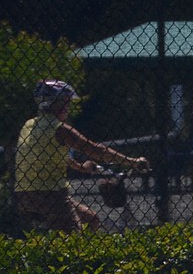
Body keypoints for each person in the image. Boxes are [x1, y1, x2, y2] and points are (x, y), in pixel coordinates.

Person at [14, 79, 149, 232]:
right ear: (57, 104)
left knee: (92, 219)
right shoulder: (60, 129)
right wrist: (132, 161)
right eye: (66, 102)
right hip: (50, 193)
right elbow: (95, 150)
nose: (68, 107)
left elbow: (45, 156)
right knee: (74, 240)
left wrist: (80, 167)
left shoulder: (30, 125)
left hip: (23, 193)